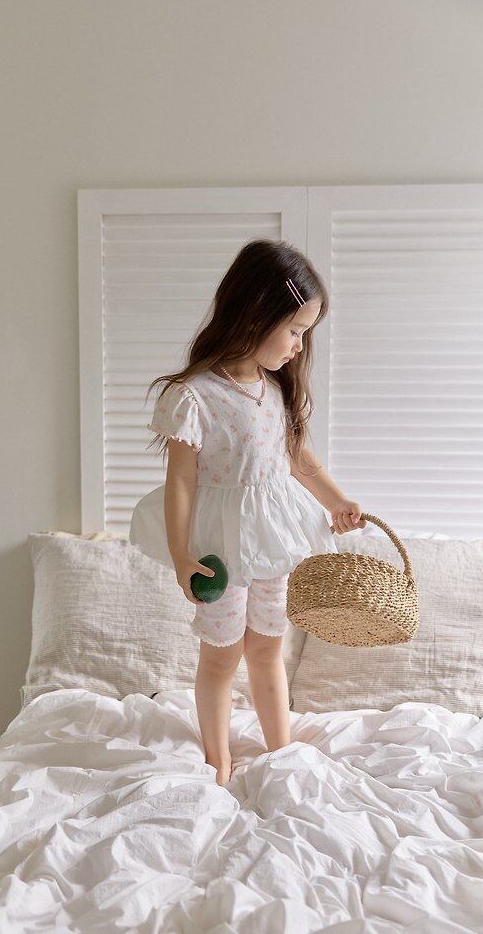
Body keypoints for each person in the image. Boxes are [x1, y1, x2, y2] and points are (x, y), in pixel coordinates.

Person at [129, 238, 366, 786]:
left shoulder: (274, 389)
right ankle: (219, 761)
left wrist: (337, 500)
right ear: (257, 313)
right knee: (221, 655)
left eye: (305, 334)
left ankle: (281, 749)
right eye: (295, 331)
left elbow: (297, 458)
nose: (299, 348)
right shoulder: (194, 396)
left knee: (267, 648)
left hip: (272, 539)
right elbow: (181, 482)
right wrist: (181, 555)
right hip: (220, 545)